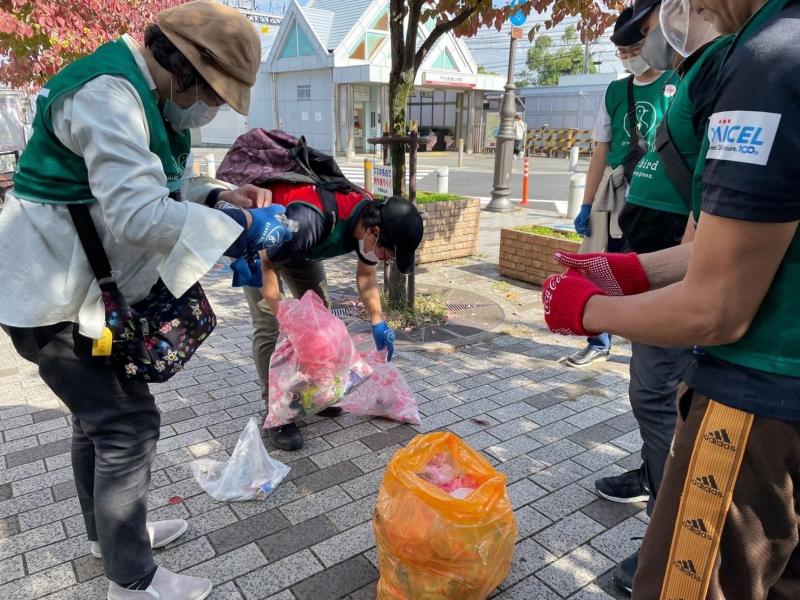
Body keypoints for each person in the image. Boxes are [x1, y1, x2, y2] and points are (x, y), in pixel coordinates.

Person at [0, 2, 282, 598]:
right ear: (183, 67)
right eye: (212, 94)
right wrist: (238, 229)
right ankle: (132, 581)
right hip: (49, 299)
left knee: (97, 423)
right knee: (128, 425)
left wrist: (219, 195)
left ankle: (112, 540)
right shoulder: (108, 95)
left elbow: (153, 183)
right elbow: (136, 214)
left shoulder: (141, 93)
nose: (210, 109)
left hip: (68, 292)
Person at [542, 0, 800, 596]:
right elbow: (738, 244)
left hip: (759, 398)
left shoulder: (767, 61)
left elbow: (716, 308)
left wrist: (585, 311)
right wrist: (631, 271)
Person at [578, 0, 727, 592]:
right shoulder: (691, 74)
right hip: (649, 237)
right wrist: (611, 254)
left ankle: (670, 546)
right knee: (654, 387)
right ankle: (653, 473)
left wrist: (592, 309)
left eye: (644, 34)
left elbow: (707, 229)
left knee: (657, 390)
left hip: (684, 252)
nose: (647, 43)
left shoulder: (726, 70)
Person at [245, 183, 424, 451]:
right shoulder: (311, 221)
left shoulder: (372, 219)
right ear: (374, 232)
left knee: (322, 320)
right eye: (387, 254)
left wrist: (378, 319)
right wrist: (285, 314)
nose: (385, 260)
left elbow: (366, 274)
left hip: (300, 247)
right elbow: (264, 261)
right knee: (270, 324)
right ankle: (277, 412)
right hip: (261, 245)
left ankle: (315, 395)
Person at [568, 7, 675, 369]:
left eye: (634, 50)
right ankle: (598, 340)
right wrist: (587, 204)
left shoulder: (677, 84)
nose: (629, 58)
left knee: (650, 269)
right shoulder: (615, 91)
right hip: (615, 192)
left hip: (660, 196)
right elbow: (600, 150)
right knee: (604, 265)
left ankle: (651, 343)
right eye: (622, 53)